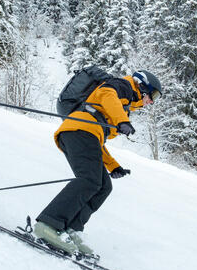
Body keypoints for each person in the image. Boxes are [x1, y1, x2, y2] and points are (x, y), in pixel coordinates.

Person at [34, 70, 163, 256]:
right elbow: (106, 94)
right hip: (78, 129)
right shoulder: (124, 86)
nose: (151, 101)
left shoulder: (124, 104)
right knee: (89, 179)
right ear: (142, 86)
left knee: (103, 186)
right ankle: (48, 224)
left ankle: (70, 229)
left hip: (85, 134)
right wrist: (122, 120)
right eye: (153, 95)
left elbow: (98, 141)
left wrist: (113, 166)